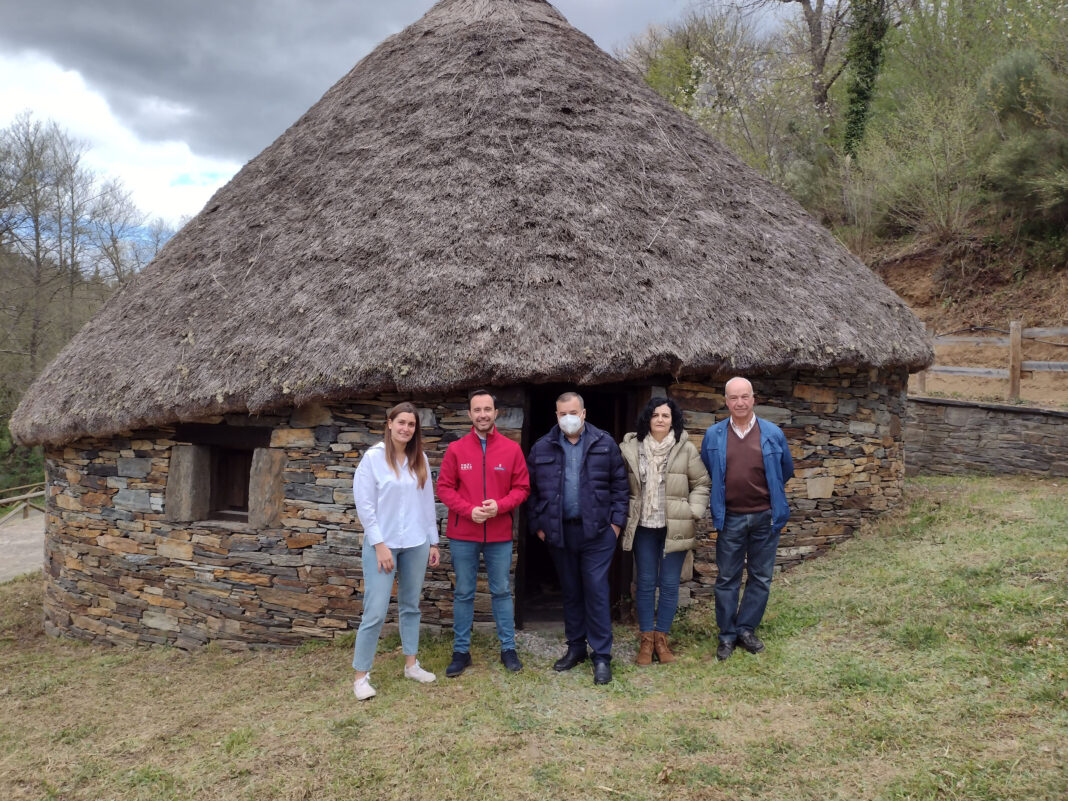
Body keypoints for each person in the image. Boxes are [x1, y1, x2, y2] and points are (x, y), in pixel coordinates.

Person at [526, 391, 629, 685]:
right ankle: (575, 647)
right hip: (559, 532)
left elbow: (620, 486)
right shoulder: (542, 447)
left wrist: (615, 526)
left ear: (583, 413)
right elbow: (530, 491)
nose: (568, 418)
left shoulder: (604, 444)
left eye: (573, 412)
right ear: (556, 416)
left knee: (595, 589)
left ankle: (601, 655)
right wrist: (539, 526)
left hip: (597, 532)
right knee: (570, 590)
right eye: (562, 414)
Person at [350, 401, 441, 700]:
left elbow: (427, 503)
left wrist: (433, 541)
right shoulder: (373, 459)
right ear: (389, 423)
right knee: (375, 611)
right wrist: (379, 545)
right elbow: (365, 506)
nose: (405, 428)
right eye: (401, 422)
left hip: (416, 543)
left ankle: (411, 665)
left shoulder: (420, 460)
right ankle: (361, 677)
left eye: (411, 424)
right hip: (383, 546)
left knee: (411, 606)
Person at [700, 377, 795, 661]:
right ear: (726, 401)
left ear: (753, 399)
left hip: (765, 517)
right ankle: (727, 635)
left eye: (744, 397)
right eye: (733, 398)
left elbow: (785, 470)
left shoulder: (773, 433)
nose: (739, 403)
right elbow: (709, 467)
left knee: (761, 577)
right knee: (727, 578)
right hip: (730, 518)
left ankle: (746, 629)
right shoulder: (714, 435)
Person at [437, 389, 530, 677]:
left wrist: (499, 506)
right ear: (470, 414)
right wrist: (469, 511)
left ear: (496, 412)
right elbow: (444, 488)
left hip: (499, 534)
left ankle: (508, 649)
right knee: (464, 593)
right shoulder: (456, 449)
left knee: (501, 591)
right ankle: (461, 652)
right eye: (477, 410)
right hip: (463, 533)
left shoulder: (512, 450)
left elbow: (522, 488)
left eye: (487, 409)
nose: (482, 415)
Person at [620, 397, 710, 665]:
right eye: (655, 415)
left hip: (675, 526)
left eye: (666, 416)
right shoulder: (631, 448)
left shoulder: (685, 449)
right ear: (648, 418)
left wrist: (692, 511)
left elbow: (702, 483)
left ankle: (663, 640)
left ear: (674, 420)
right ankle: (646, 641)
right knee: (646, 584)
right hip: (644, 527)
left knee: (670, 585)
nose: (660, 419)